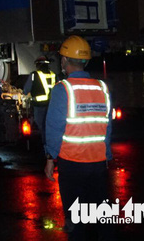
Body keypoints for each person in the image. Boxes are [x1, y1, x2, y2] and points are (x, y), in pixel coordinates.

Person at [44, 36, 113, 240]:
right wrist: (106, 155)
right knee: (103, 216)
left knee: (76, 219)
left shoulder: (62, 89)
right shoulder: (102, 87)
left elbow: (55, 128)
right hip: (98, 164)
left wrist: (50, 159)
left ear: (64, 60)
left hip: (72, 164)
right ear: (86, 61)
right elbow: (107, 127)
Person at [23, 56, 57, 152]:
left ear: (38, 64)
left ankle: (47, 150)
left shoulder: (34, 75)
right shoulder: (53, 75)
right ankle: (53, 147)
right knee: (51, 127)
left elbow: (26, 90)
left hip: (39, 106)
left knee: (42, 127)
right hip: (52, 106)